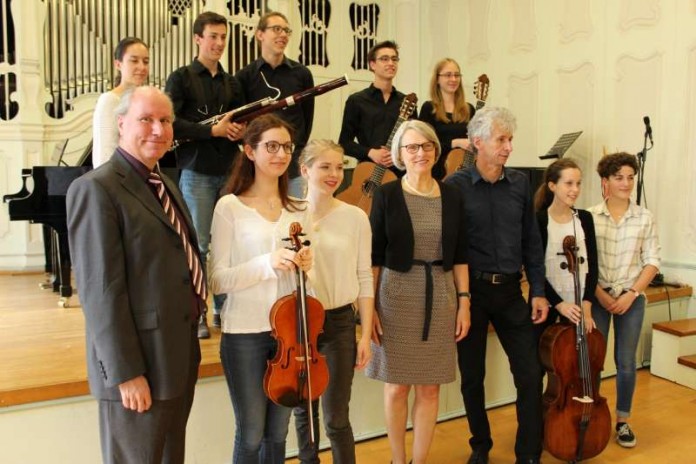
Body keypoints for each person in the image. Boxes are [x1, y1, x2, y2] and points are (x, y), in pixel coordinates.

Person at [67, 86, 204, 464]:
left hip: (176, 355)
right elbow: (100, 292)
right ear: (122, 123)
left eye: (165, 121)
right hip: (138, 364)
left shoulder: (165, 184)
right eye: (146, 119)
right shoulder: (96, 189)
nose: (158, 130)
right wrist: (126, 372)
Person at [445, 107, 548, 464]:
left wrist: (537, 289)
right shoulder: (454, 187)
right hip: (470, 295)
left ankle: (529, 453)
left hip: (510, 293)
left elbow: (531, 241)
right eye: (501, 140)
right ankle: (481, 446)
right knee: (473, 377)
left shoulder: (520, 183)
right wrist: (459, 300)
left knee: (530, 374)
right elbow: (448, 247)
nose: (508, 147)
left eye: (510, 140)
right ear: (477, 143)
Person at [209, 114, 313, 463]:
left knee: (278, 434)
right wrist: (266, 264)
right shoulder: (230, 207)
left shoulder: (299, 209)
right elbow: (217, 279)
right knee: (252, 433)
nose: (281, 154)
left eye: (286, 146)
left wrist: (308, 269)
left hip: (290, 335)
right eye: (271, 146)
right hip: (245, 334)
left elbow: (307, 282)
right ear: (249, 151)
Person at [367, 120, 471, 464]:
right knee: (396, 386)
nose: (419, 153)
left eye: (425, 146)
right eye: (411, 147)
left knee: (430, 387)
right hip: (394, 296)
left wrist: (464, 303)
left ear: (435, 151)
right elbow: (374, 258)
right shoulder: (386, 194)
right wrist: (370, 313)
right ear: (399, 154)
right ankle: (398, 460)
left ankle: (420, 460)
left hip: (440, 295)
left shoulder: (453, 196)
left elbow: (460, 255)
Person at [165, 11, 247, 338]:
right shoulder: (181, 77)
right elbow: (171, 122)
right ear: (198, 38)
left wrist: (240, 130)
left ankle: (223, 309)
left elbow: (242, 122)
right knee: (197, 244)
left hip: (230, 171)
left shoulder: (233, 83)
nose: (219, 43)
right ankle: (197, 311)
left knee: (227, 245)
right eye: (213, 36)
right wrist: (213, 130)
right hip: (197, 171)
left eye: (223, 37)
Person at [292, 140, 375, 464]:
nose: (334, 174)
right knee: (304, 415)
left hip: (340, 323)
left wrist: (365, 333)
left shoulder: (355, 217)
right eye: (325, 166)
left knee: (336, 418)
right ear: (305, 170)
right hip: (297, 322)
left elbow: (364, 277)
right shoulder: (288, 215)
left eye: (340, 167)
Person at [588, 152, 660, 449]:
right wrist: (602, 297)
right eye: (619, 177)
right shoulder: (589, 216)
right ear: (605, 182)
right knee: (593, 361)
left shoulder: (645, 217)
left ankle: (622, 421)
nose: (626, 183)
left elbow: (652, 261)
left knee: (626, 362)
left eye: (631, 177)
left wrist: (631, 294)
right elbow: (585, 265)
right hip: (599, 297)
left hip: (632, 298)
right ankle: (589, 415)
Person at [236, 11, 315, 198]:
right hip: (259, 165)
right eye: (276, 29)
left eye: (287, 30)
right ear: (260, 34)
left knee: (296, 221)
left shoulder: (302, 74)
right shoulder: (244, 76)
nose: (283, 35)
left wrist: (294, 150)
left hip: (293, 163)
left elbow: (307, 119)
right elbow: (243, 124)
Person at [534, 158, 598, 334]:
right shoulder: (539, 220)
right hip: (547, 306)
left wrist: (586, 306)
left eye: (578, 183)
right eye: (569, 183)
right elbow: (535, 271)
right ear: (552, 185)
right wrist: (560, 305)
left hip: (580, 306)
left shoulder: (585, 218)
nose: (575, 190)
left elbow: (592, 266)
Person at [338, 40, 416, 178]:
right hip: (367, 175)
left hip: (401, 174)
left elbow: (416, 140)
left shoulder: (407, 102)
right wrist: (370, 152)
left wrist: (400, 156)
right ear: (372, 64)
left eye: (394, 59)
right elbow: (344, 143)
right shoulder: (356, 101)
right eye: (384, 59)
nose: (391, 63)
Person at [92, 37, 149, 168]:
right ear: (118, 64)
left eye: (145, 62)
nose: (141, 67)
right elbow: (105, 153)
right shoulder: (110, 100)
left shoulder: (144, 100)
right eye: (134, 61)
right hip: (117, 180)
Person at [419, 58, 476, 180]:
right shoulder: (428, 108)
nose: (453, 79)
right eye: (448, 75)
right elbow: (424, 146)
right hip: (436, 174)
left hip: (466, 173)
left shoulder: (469, 109)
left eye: (457, 75)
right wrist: (455, 143)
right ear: (438, 79)